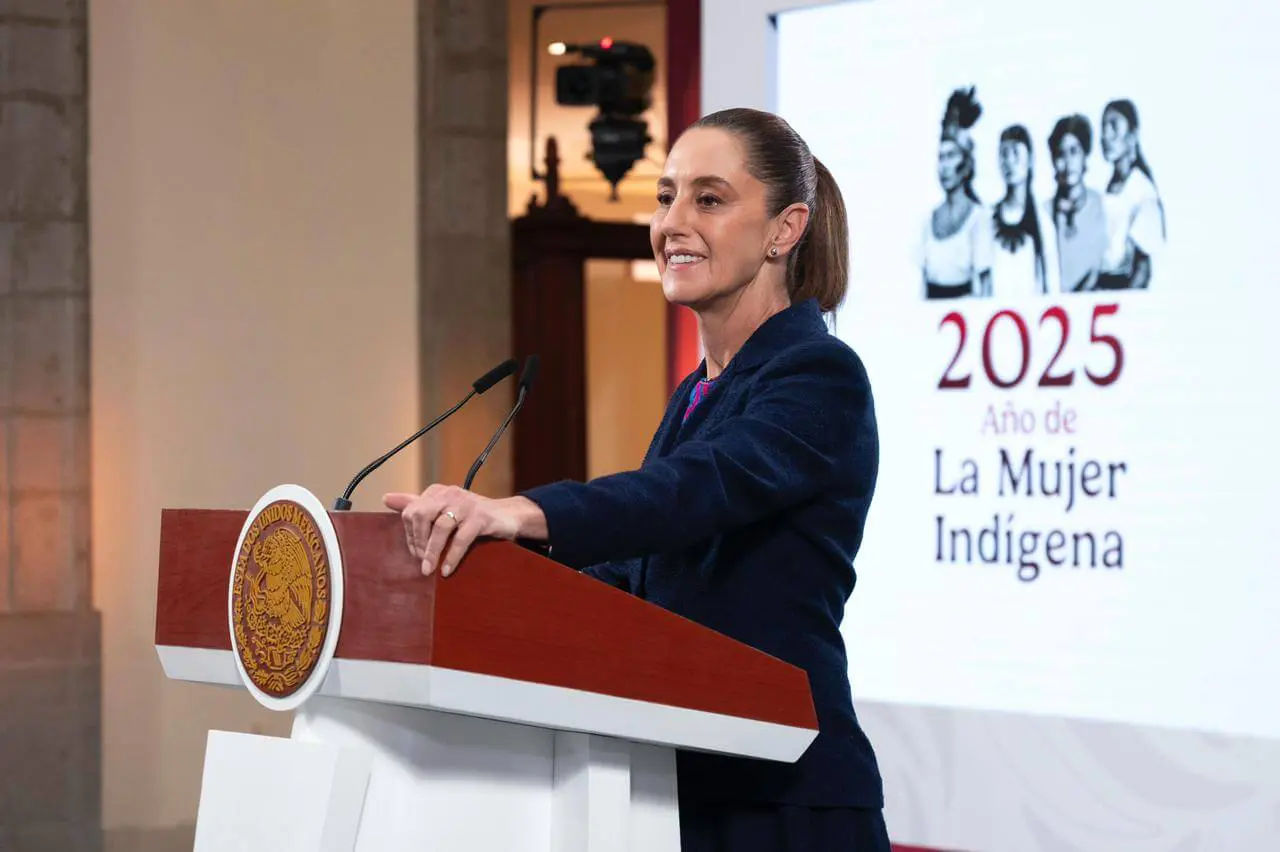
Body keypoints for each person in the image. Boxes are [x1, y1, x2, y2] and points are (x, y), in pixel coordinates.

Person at [383, 107, 890, 851]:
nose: (671, 222)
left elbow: (695, 490)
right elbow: (634, 578)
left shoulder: (820, 375)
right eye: (665, 196)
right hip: (676, 788)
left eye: (708, 200)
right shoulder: (695, 395)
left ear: (785, 230)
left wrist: (518, 512)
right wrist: (483, 575)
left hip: (786, 802)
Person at [922, 86, 992, 299]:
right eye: (940, 157)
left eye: (951, 156)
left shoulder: (979, 217)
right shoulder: (928, 220)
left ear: (966, 163)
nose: (944, 165)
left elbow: (986, 289)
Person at [1097, 99, 1165, 289]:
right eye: (1103, 128)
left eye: (1114, 127)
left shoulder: (1141, 190)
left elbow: (1143, 269)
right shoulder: (1110, 188)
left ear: (1132, 135)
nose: (1105, 136)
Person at [990, 124, 1057, 298]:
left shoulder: (1044, 223)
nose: (1009, 161)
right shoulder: (987, 219)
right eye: (1004, 154)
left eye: (1015, 153)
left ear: (1031, 160)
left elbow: (1052, 287)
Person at [1045, 114, 1107, 292]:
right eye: (1060, 154)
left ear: (1084, 155)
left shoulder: (1101, 206)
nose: (1068, 162)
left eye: (1074, 152)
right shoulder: (1044, 212)